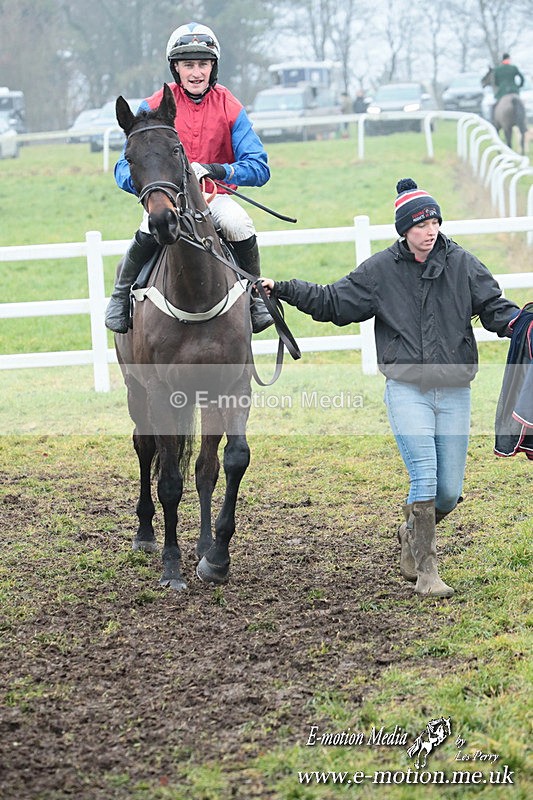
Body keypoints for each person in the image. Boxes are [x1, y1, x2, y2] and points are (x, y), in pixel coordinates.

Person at [260, 178, 520, 598]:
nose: (429, 230)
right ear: (404, 231)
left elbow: (494, 307)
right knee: (426, 478)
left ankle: (411, 534)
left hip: (455, 391)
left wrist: (520, 324)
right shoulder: (380, 271)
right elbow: (334, 301)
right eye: (419, 224)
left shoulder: (463, 265)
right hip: (406, 389)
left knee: (450, 493)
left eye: (434, 220)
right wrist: (285, 289)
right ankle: (427, 572)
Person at [106, 21, 273, 335]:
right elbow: (122, 169)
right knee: (147, 227)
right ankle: (120, 296)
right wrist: (153, 187)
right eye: (188, 65)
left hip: (214, 198)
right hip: (168, 198)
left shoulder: (231, 106)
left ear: (213, 67)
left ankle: (255, 297)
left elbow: (260, 167)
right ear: (176, 68)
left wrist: (216, 170)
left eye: (203, 64)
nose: (196, 72)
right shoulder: (152, 106)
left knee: (238, 223)